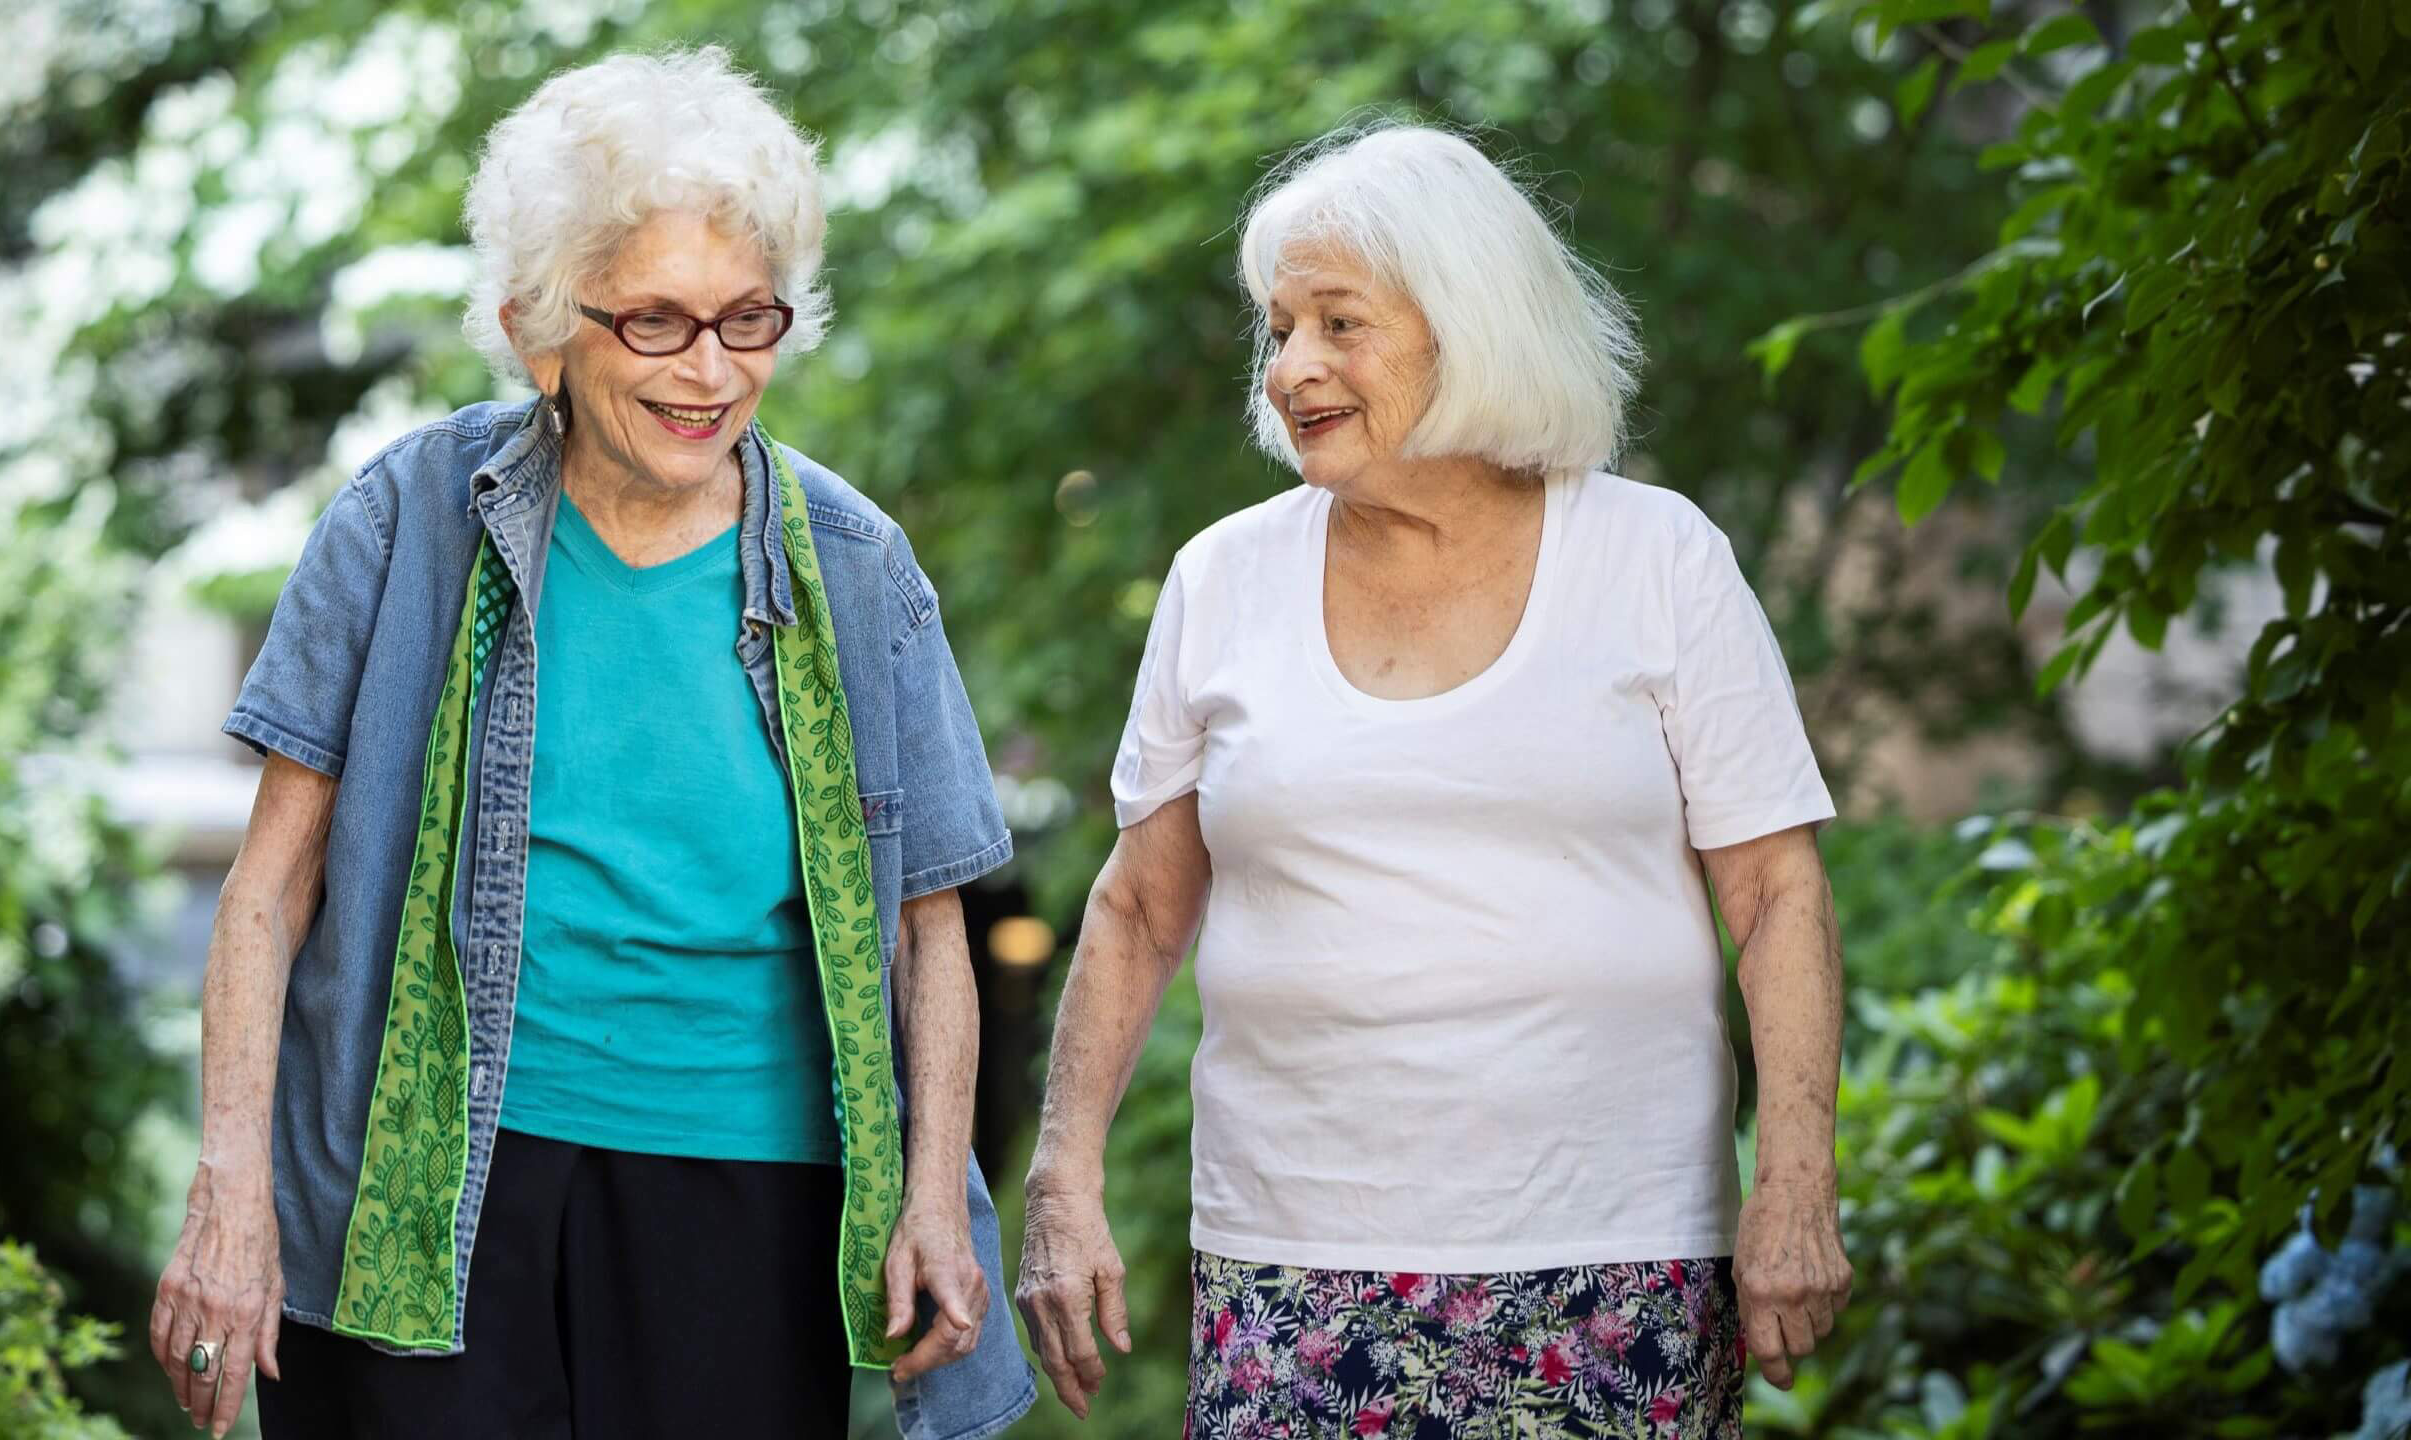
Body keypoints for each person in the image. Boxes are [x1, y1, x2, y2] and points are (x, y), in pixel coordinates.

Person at [146, 47, 1035, 1440]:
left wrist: (933, 1196)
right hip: (432, 1179)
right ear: (539, 327)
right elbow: (264, 895)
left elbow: (933, 932)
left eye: (748, 321)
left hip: (744, 1193)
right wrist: (230, 1193)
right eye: (657, 324)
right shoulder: (405, 523)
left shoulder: (855, 570)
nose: (712, 372)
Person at [1014, 122, 1855, 1438]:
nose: (1292, 366)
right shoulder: (1222, 580)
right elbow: (1135, 910)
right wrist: (1061, 1184)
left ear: (1471, 326)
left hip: (1616, 1255)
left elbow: (1776, 895)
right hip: (1294, 1270)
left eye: (1337, 323)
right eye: (1277, 328)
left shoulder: (1658, 558)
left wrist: (1796, 1179)